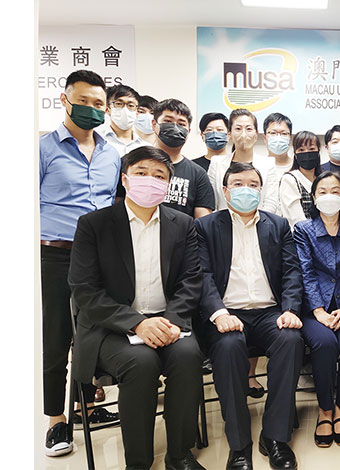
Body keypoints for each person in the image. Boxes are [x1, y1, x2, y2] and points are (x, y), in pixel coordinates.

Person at [69, 147, 205, 470]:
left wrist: (172, 321)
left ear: (168, 185)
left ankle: (179, 455)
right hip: (111, 328)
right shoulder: (94, 225)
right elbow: (85, 290)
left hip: (168, 322)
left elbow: (191, 281)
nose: (149, 180)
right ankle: (139, 462)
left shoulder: (183, 225)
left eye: (159, 175)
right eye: (141, 173)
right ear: (125, 179)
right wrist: (137, 323)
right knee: (141, 362)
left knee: (188, 356)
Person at [196, 162, 305, 470]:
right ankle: (239, 444)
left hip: (270, 312)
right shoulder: (206, 227)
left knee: (291, 341)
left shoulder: (278, 225)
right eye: (239, 184)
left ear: (261, 190)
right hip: (227, 313)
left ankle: (275, 437)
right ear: (225, 190)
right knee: (229, 347)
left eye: (253, 184)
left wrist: (290, 309)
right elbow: (202, 275)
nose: (247, 189)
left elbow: (292, 272)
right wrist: (218, 313)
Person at [39, 69, 120, 457]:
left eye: (98, 104)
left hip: (98, 258)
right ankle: (57, 421)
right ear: (65, 100)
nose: (91, 108)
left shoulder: (111, 154)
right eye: (83, 101)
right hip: (55, 253)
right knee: (57, 339)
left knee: (92, 334)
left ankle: (86, 405)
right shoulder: (43, 149)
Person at [293, 172, 340, 448]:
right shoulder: (303, 230)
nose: (329, 196)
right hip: (314, 309)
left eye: (335, 191)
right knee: (324, 343)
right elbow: (305, 272)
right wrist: (318, 310)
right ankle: (325, 410)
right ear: (314, 198)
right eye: (322, 191)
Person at [208, 109, 274, 212]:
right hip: (222, 220)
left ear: (256, 134)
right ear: (229, 134)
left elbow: (271, 203)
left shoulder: (268, 164)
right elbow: (211, 202)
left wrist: (257, 221)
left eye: (249, 129)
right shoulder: (216, 163)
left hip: (259, 220)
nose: (243, 134)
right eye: (238, 129)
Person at [280, 130, 322, 229]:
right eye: (301, 150)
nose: (307, 153)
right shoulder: (290, 179)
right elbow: (296, 218)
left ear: (318, 152)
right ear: (295, 155)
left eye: (311, 149)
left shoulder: (323, 179)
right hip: (301, 235)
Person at [99, 84, 147, 157]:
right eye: (119, 104)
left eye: (131, 105)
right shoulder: (97, 141)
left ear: (137, 112)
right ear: (107, 109)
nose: (125, 109)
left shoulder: (145, 147)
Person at [261, 112, 295, 216]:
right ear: (264, 138)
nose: (278, 137)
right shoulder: (258, 167)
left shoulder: (298, 167)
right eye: (273, 133)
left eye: (284, 133)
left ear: (290, 138)